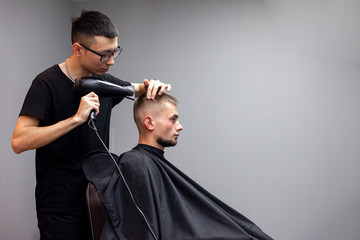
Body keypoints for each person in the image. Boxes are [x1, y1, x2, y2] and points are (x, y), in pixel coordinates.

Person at [11, 10, 170, 240]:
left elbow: (135, 88)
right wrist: (75, 119)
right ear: (78, 49)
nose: (112, 61)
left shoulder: (103, 82)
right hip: (60, 208)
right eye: (104, 55)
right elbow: (19, 141)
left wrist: (152, 85)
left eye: (114, 52)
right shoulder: (46, 83)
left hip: (98, 199)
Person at [83, 93, 273, 240]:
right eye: (173, 119)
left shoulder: (149, 162)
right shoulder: (135, 163)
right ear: (149, 122)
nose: (179, 126)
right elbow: (145, 230)